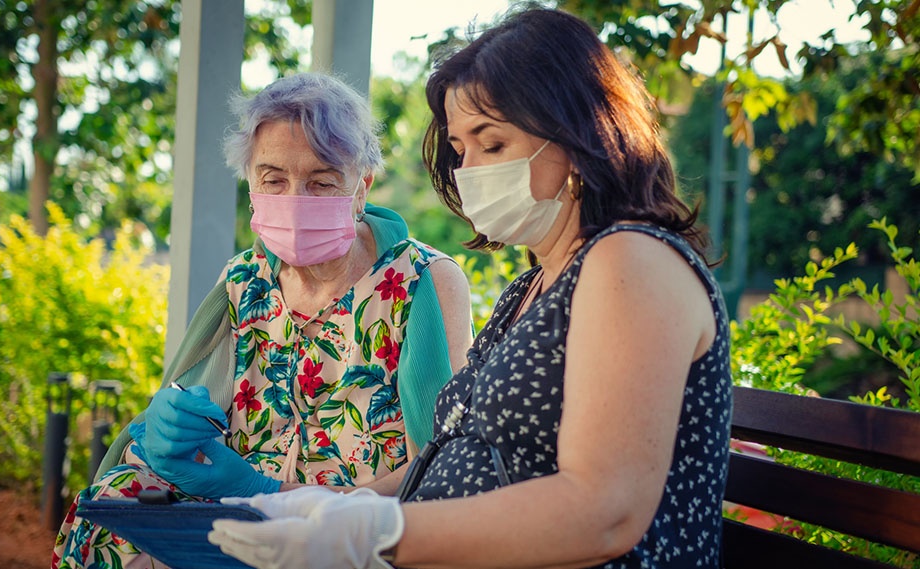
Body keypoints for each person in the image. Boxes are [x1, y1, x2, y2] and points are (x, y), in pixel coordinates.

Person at [205, 6, 733, 569]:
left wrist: (373, 535)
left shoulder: (631, 260)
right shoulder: (533, 287)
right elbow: (449, 460)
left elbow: (605, 511)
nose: (471, 171)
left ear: (579, 135)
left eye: (493, 144)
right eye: (461, 151)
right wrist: (317, 508)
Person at [52, 72, 474, 569]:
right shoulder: (243, 279)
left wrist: (271, 491)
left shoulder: (424, 280)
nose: (296, 199)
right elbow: (196, 410)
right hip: (230, 514)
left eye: (321, 181)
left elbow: (439, 464)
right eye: (274, 180)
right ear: (251, 182)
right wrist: (172, 425)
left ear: (361, 186)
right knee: (107, 519)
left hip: (348, 526)